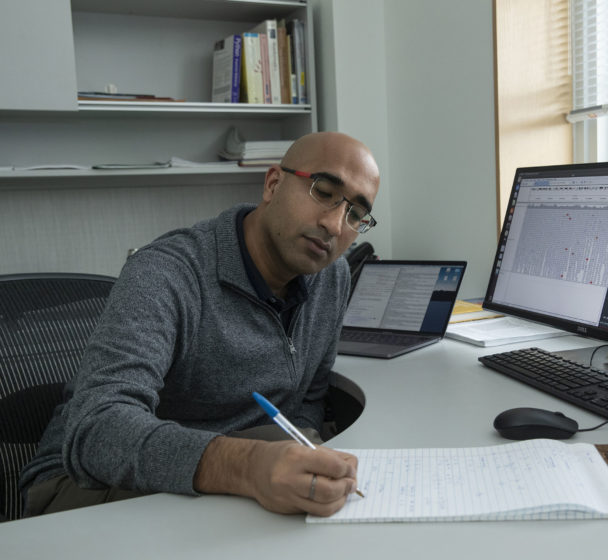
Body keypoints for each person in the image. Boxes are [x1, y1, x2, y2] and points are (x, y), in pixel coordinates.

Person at [20, 131, 381, 518]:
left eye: (355, 214)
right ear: (273, 184)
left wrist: (294, 448)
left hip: (229, 476)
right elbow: (97, 429)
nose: (334, 224)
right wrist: (247, 465)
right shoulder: (166, 272)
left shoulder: (333, 276)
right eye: (323, 191)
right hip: (82, 486)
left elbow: (309, 396)